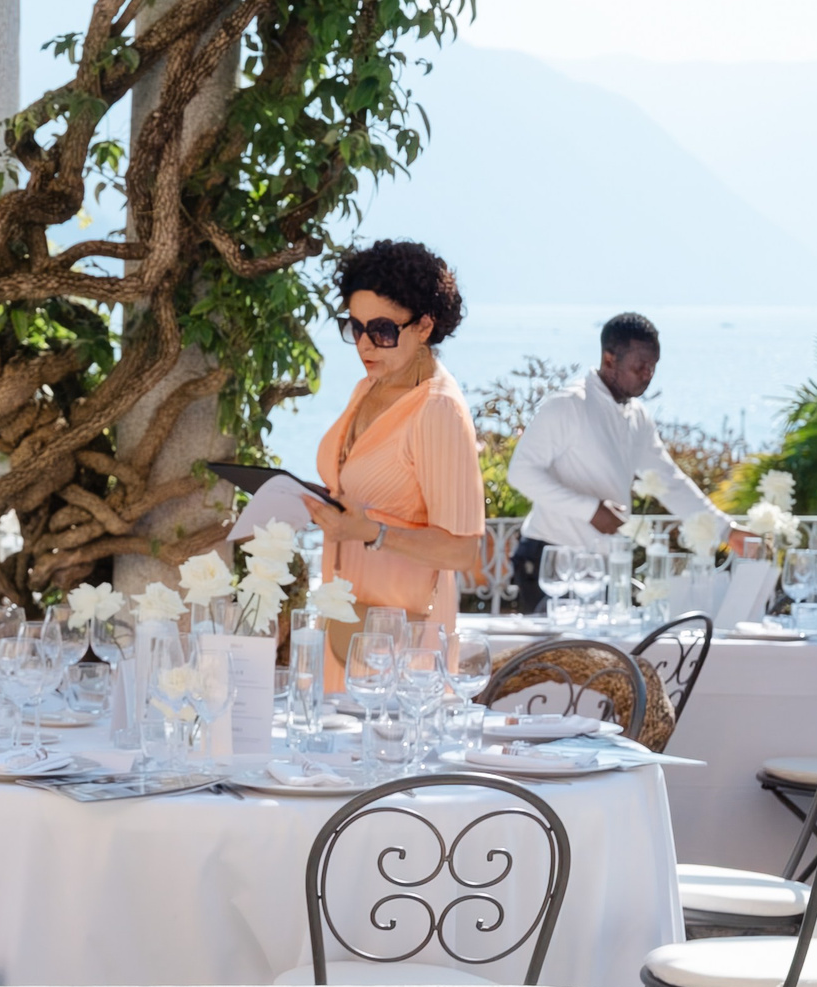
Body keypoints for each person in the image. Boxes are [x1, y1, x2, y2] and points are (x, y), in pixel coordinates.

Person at [305, 240, 487, 673]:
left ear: (424, 326)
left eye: (384, 331)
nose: (366, 346)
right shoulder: (369, 387)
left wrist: (371, 531)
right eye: (356, 328)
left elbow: (463, 551)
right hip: (345, 626)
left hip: (403, 646)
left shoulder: (436, 409)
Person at [502, 311, 726, 613]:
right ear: (609, 359)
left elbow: (669, 481)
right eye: (640, 366)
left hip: (603, 569)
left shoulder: (637, 416)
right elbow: (521, 473)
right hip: (551, 562)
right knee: (553, 661)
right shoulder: (568, 405)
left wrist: (727, 530)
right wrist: (590, 510)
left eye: (653, 367)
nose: (648, 374)